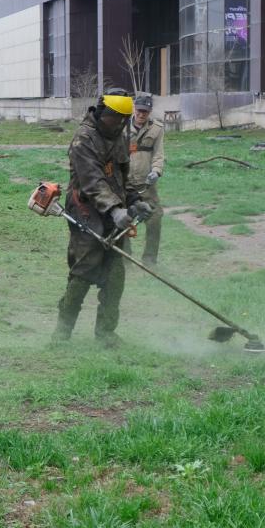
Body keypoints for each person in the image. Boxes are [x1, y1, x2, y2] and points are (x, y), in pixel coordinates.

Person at [52, 89, 153, 347]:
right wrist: (115, 210)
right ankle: (61, 334)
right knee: (84, 271)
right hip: (85, 211)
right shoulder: (83, 140)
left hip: (115, 212)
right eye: (115, 118)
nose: (119, 124)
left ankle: (106, 334)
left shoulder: (118, 136)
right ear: (102, 113)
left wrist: (134, 201)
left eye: (123, 120)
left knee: (115, 275)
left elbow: (122, 178)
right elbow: (92, 182)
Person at [128, 94, 166, 266]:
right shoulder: (122, 127)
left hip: (147, 184)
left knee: (155, 218)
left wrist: (156, 171)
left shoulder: (157, 129)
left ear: (150, 112)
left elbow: (159, 154)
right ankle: (124, 257)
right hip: (126, 183)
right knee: (123, 218)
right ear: (134, 109)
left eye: (145, 111)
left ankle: (150, 259)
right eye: (139, 110)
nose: (141, 114)